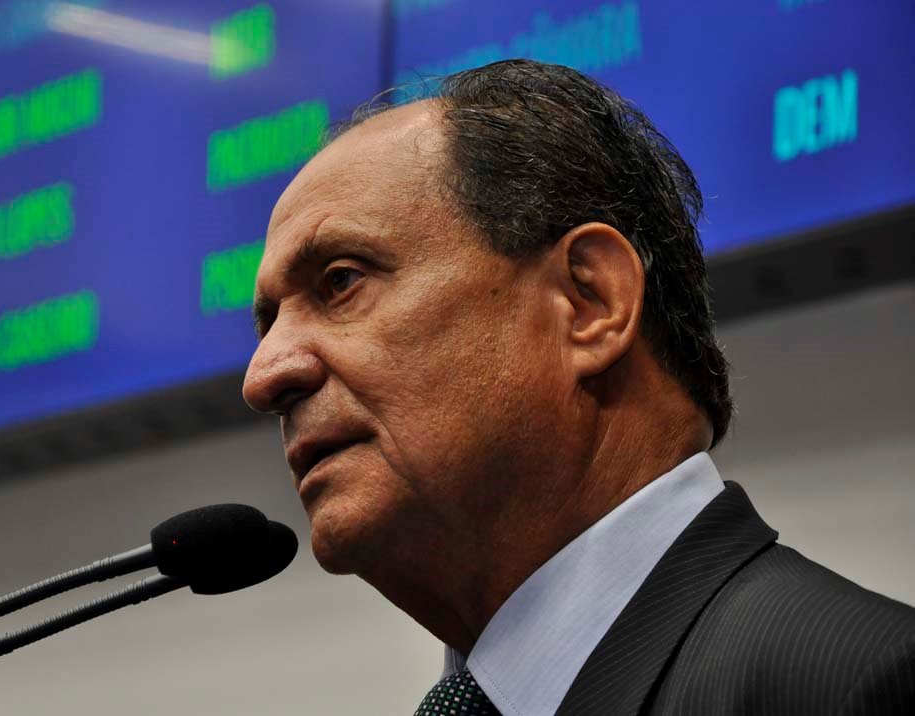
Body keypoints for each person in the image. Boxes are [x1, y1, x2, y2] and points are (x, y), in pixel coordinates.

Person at [242, 60, 915, 715]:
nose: (263, 377)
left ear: (589, 302)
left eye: (340, 281)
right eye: (268, 323)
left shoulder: (861, 686)